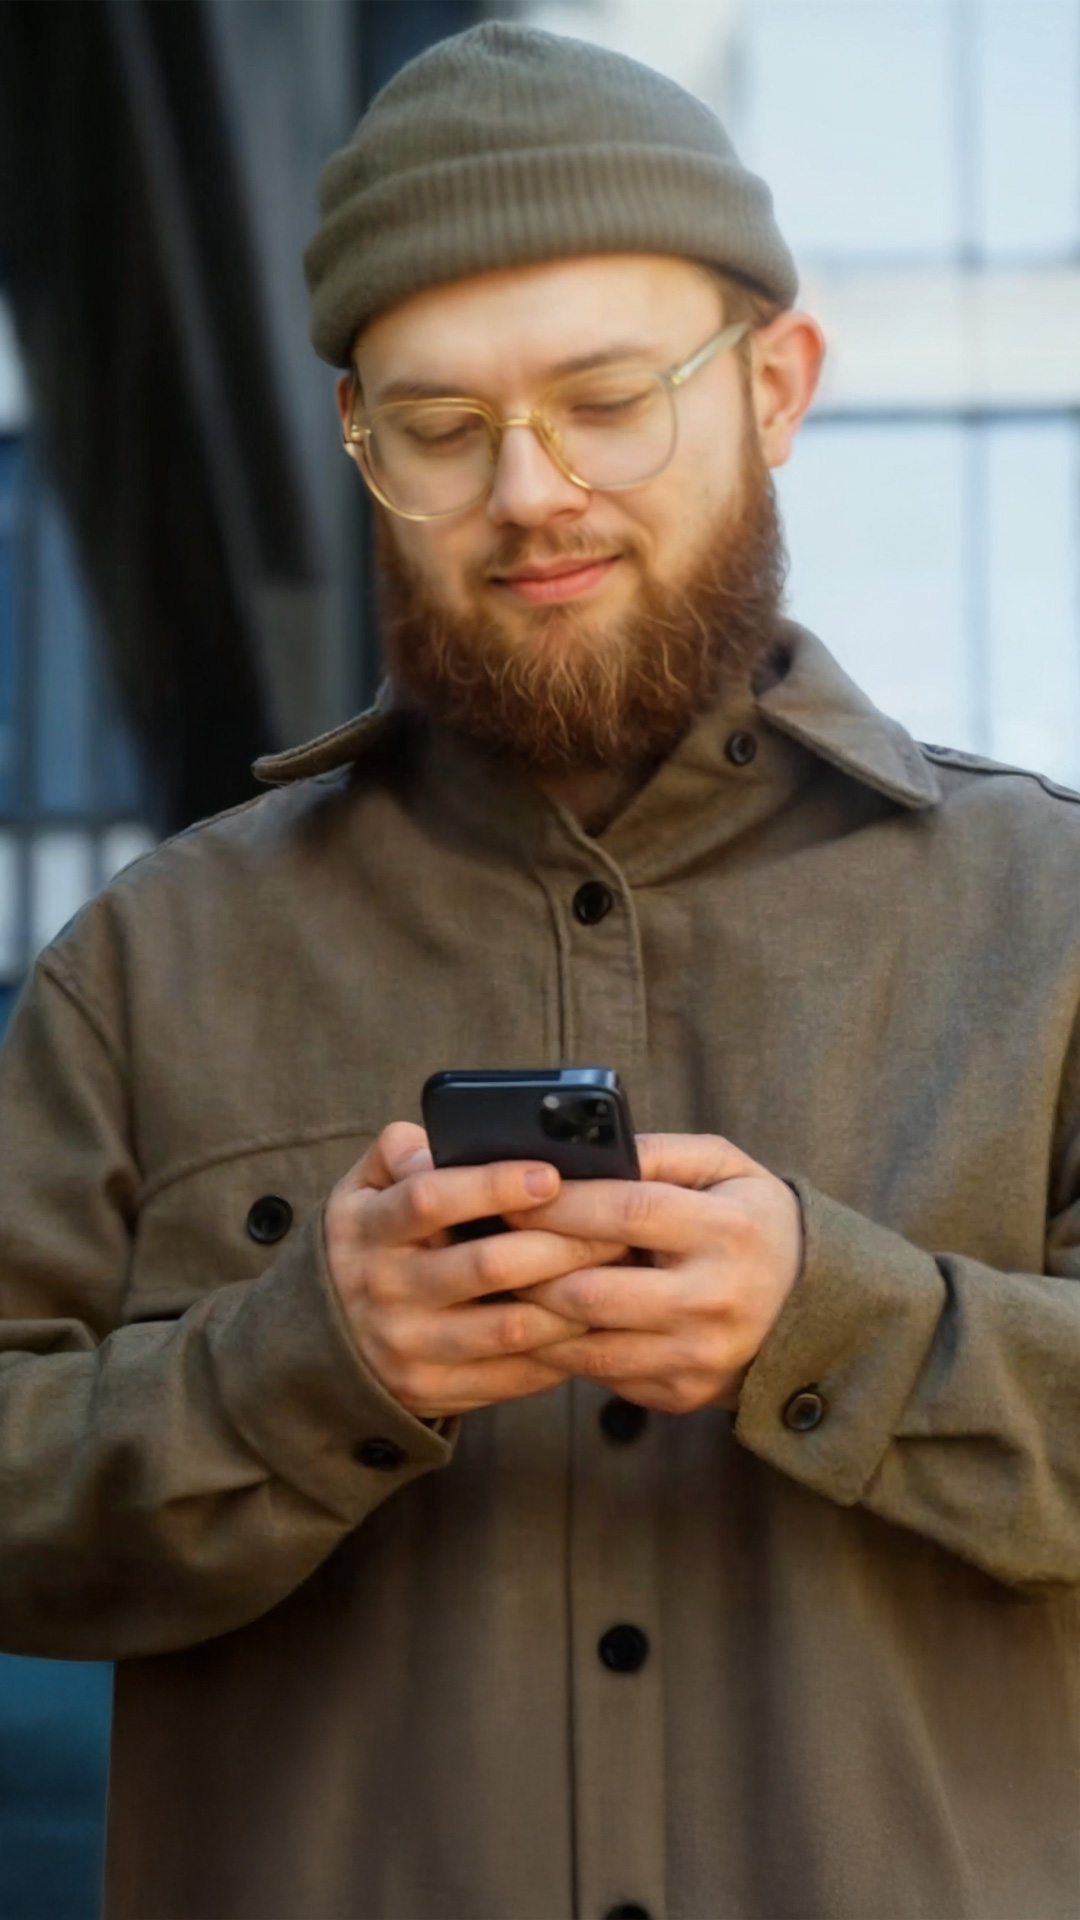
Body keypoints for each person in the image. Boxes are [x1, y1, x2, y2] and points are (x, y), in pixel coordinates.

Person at [0, 20, 1077, 1920]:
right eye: (440, 427)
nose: (532, 491)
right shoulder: (141, 968)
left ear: (777, 384)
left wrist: (839, 1328)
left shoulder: (1055, 919)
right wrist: (297, 1373)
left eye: (606, 398)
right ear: (357, 439)